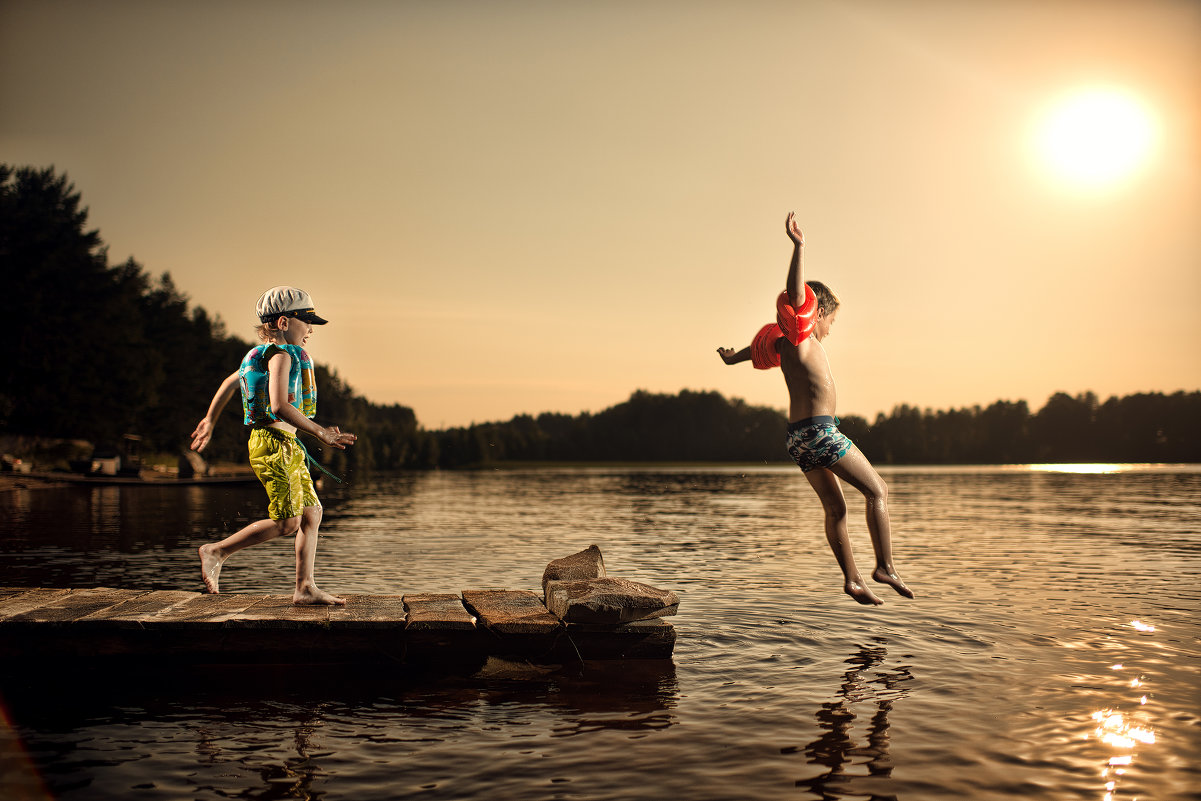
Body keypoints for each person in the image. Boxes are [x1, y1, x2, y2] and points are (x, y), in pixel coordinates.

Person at [717, 213, 913, 606]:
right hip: (821, 433)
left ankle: (853, 579)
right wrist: (799, 247)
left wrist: (730, 358)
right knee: (878, 490)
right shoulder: (801, 335)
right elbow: (795, 295)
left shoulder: (782, 345)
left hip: (798, 439)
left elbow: (753, 352)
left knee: (836, 509)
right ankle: (885, 566)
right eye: (832, 321)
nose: (831, 330)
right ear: (816, 312)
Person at [190, 286, 357, 605]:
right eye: (306, 322)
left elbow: (230, 382)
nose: (310, 329)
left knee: (312, 513)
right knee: (288, 522)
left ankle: (304, 587)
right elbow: (280, 406)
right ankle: (216, 551)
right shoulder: (280, 356)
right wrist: (321, 432)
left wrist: (210, 419)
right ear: (283, 323)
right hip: (272, 444)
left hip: (286, 444)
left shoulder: (260, 355)